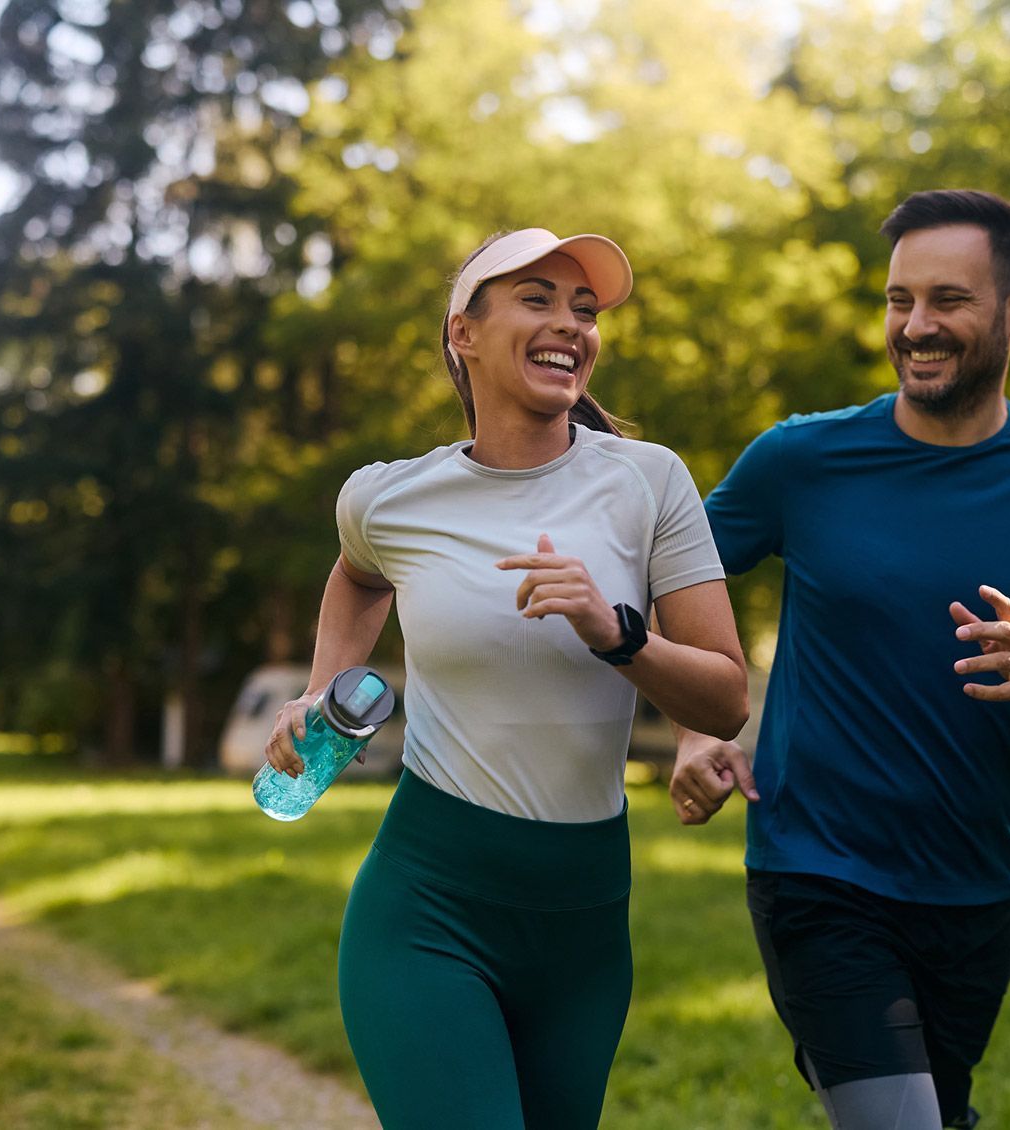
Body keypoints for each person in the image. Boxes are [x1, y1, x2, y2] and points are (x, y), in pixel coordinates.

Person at [669, 190, 1010, 1130]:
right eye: (900, 301)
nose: (917, 326)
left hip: (976, 893)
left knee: (939, 1116)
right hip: (818, 874)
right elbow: (669, 573)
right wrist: (698, 725)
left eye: (949, 300)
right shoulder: (802, 460)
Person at [263, 227, 748, 1130]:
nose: (570, 323)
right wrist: (322, 688)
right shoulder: (388, 497)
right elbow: (358, 573)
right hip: (428, 907)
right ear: (464, 333)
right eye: (537, 298)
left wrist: (616, 632)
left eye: (585, 309)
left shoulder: (650, 484)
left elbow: (724, 695)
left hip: (584, 921)